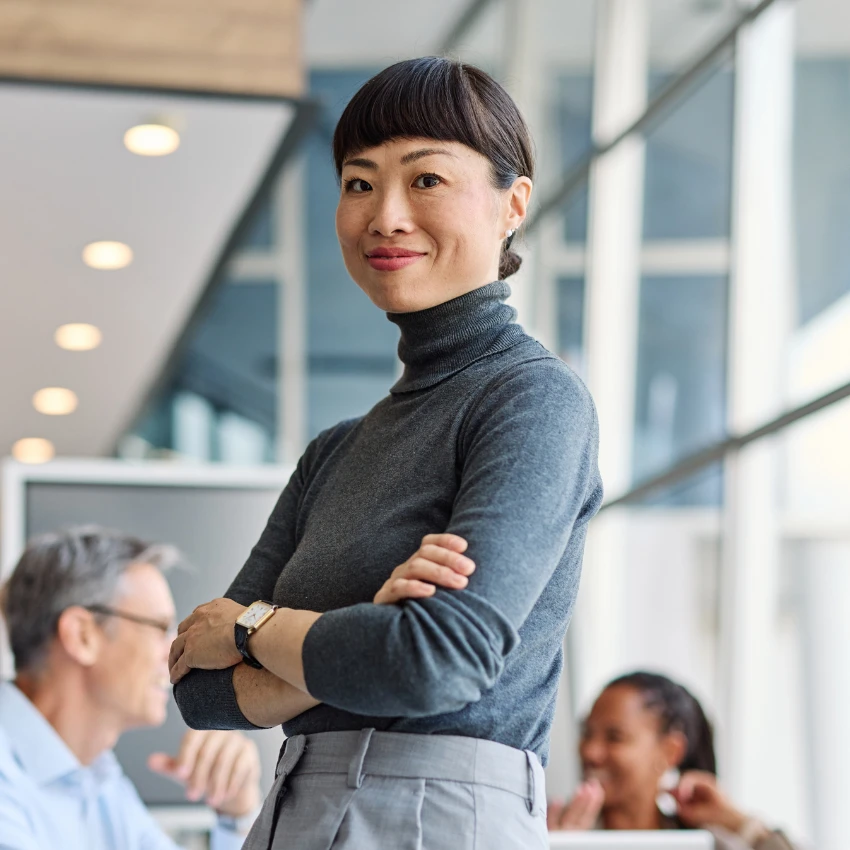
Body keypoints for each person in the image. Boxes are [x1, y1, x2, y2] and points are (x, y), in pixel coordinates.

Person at [167, 56, 603, 849]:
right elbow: (200, 690)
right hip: (294, 811)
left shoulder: (534, 399)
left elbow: (437, 663)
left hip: (435, 818)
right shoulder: (335, 452)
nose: (386, 216)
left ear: (514, 204)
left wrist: (257, 624)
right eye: (359, 183)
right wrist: (363, 630)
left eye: (426, 180)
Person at [0, 527, 263, 850]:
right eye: (159, 627)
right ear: (82, 635)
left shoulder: (99, 779)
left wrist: (236, 814)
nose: (176, 652)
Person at [546, 672, 800, 850]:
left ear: (670, 751)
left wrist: (738, 823)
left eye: (615, 737)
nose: (590, 751)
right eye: (586, 733)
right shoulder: (552, 833)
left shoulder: (707, 844)